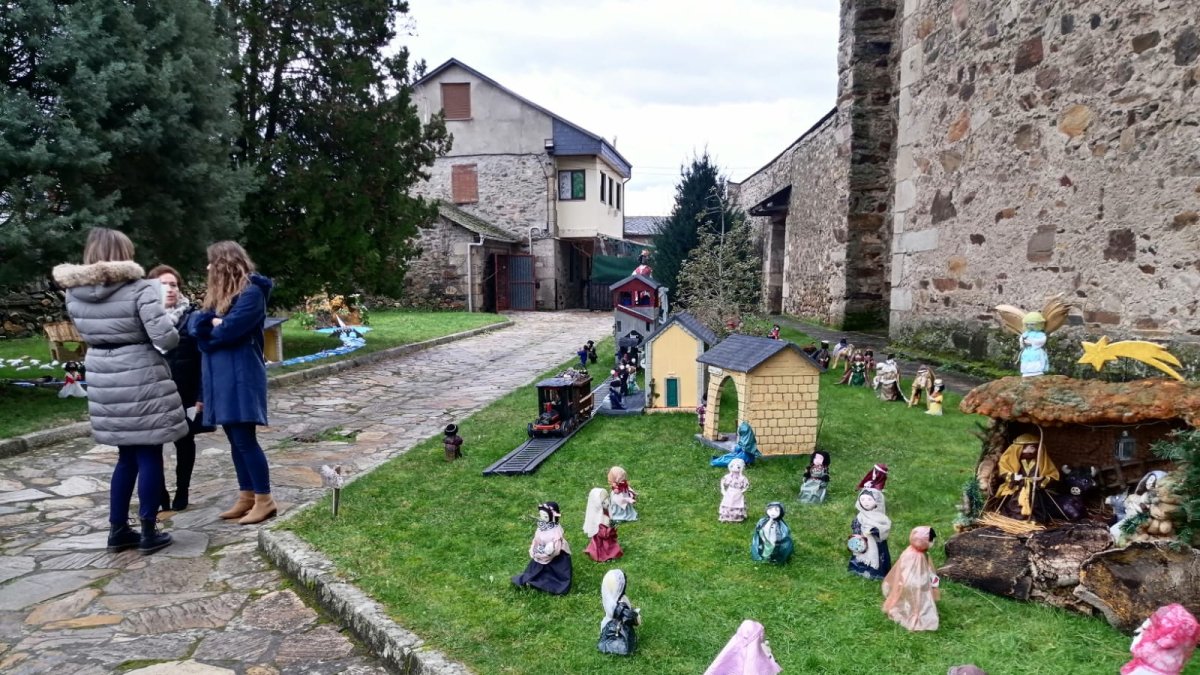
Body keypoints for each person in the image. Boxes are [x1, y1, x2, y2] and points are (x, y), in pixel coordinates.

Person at [52, 228, 183, 555]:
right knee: (150, 451)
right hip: (139, 370)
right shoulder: (138, 289)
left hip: (101, 369)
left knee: (126, 456)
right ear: (122, 253)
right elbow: (165, 338)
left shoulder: (73, 293)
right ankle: (150, 530)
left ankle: (118, 529)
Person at [191, 241, 276, 525]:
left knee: (244, 439)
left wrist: (214, 326)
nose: (207, 268)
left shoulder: (251, 294)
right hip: (219, 378)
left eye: (211, 262)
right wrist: (210, 325)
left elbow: (228, 331)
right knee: (233, 439)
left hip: (240, 377)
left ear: (225, 263)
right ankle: (247, 495)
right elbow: (196, 327)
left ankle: (265, 499)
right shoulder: (221, 298)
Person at [147, 264, 210, 511]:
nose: (171, 289)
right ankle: (159, 491)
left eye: (174, 284)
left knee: (185, 442)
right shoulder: (144, 319)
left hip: (185, 390)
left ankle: (182, 489)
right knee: (152, 446)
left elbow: (203, 359)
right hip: (152, 394)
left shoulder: (191, 317)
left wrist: (201, 395)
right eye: (164, 285)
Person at [881, 526, 940, 631]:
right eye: (931, 540)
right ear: (923, 542)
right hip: (913, 583)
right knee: (919, 599)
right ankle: (917, 614)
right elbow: (914, 573)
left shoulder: (911, 551)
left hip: (908, 582)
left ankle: (912, 608)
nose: (933, 543)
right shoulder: (918, 556)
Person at [512, 501, 572, 595]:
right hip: (540, 552)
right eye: (541, 515)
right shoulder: (542, 527)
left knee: (553, 573)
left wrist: (546, 552)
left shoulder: (556, 533)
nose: (542, 518)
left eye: (545, 516)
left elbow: (555, 551)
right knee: (534, 570)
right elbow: (536, 539)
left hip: (554, 558)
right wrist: (534, 548)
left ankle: (551, 582)